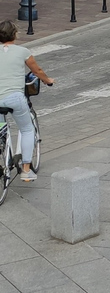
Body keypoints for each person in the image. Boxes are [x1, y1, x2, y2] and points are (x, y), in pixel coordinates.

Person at [0, 20, 54, 181]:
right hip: (14, 98)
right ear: (15, 34)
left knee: (0, 130)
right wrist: (47, 80)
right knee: (26, 129)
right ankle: (26, 169)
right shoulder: (23, 51)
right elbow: (37, 70)